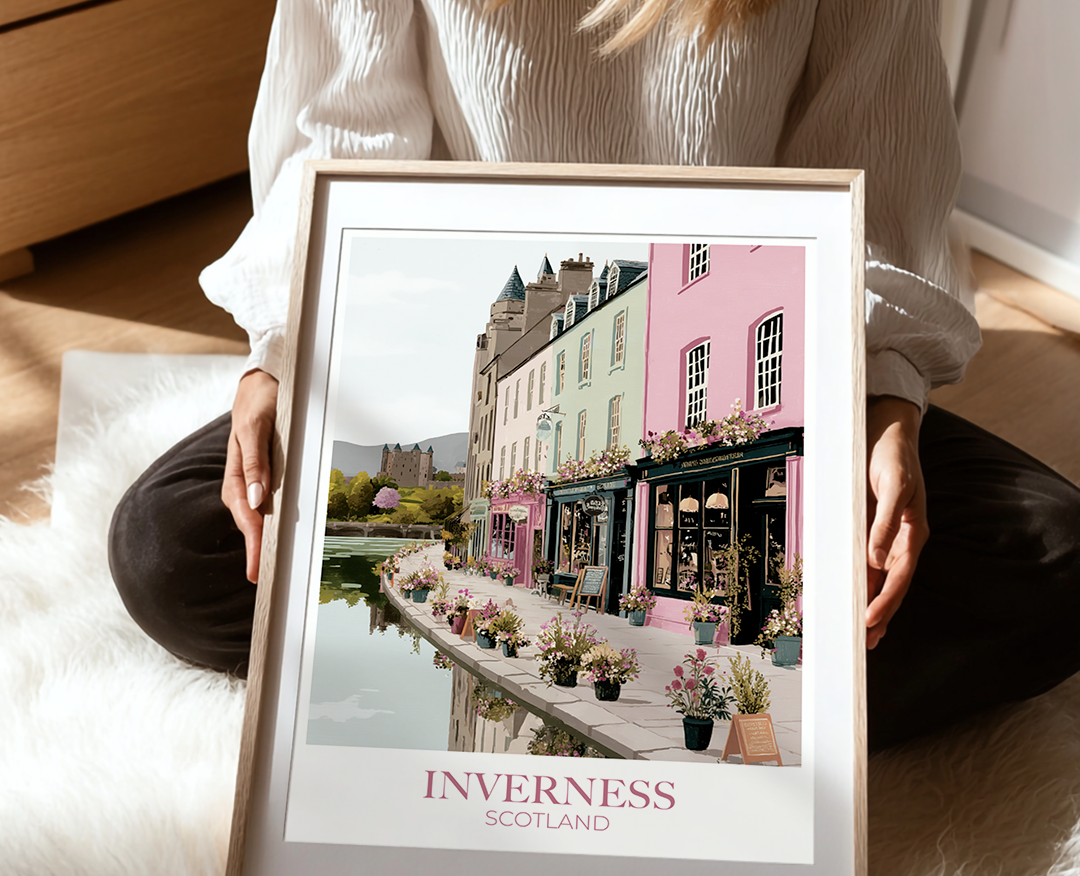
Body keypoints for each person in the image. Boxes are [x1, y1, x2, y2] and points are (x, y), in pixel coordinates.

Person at [108, 0, 1080, 749]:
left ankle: (624, 692)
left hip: (769, 384)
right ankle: (716, 696)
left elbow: (875, 172)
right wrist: (283, 356)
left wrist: (879, 404)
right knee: (176, 547)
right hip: (445, 351)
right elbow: (339, 141)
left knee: (1055, 561)